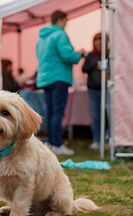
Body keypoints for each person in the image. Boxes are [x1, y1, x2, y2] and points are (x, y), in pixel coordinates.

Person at [36, 10, 85, 155]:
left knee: (50, 112)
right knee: (58, 112)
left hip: (44, 79)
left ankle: (51, 143)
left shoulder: (42, 38)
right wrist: (79, 54)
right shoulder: (60, 35)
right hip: (59, 78)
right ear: (62, 20)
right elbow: (68, 56)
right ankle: (57, 144)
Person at [82, 33, 109, 150]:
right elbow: (84, 69)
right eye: (96, 42)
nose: (98, 44)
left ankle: (107, 138)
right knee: (95, 115)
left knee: (108, 114)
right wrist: (94, 64)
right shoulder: (91, 56)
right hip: (93, 89)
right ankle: (96, 140)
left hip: (107, 89)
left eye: (101, 42)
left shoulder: (110, 55)